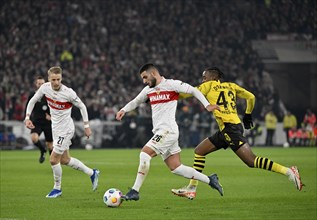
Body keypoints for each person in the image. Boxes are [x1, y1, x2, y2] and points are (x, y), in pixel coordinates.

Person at [171, 67, 304, 200]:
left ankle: (288, 171)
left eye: (204, 77)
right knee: (200, 151)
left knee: (251, 161)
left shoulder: (208, 85)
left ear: (213, 78)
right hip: (230, 127)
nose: (203, 80)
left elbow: (190, 93)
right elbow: (251, 97)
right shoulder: (231, 86)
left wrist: (169, 96)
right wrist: (247, 114)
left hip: (230, 129)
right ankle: (192, 189)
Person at [115, 63, 223, 201]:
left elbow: (193, 90)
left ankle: (135, 191)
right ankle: (210, 180)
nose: (144, 81)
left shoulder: (172, 84)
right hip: (161, 131)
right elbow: (136, 101)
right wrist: (123, 110)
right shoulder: (148, 89)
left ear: (153, 73)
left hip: (168, 130)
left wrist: (207, 105)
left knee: (144, 154)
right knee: (176, 167)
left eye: (145, 77)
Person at [24, 66, 100, 198]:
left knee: (53, 160)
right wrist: (27, 117)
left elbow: (82, 106)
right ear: (49, 79)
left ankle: (57, 189)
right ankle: (92, 173)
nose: (56, 82)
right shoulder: (45, 88)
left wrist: (86, 126)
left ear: (61, 78)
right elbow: (32, 101)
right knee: (65, 160)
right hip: (56, 129)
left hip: (66, 130)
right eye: (53, 80)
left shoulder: (68, 92)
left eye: (58, 79)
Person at [25, 76, 53, 163]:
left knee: (50, 145)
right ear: (36, 84)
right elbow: (27, 107)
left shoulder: (49, 95)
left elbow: (54, 108)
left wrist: (52, 116)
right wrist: (27, 119)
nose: (41, 85)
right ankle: (42, 150)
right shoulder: (32, 95)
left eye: (42, 83)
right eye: (39, 83)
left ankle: (53, 162)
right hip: (36, 122)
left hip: (48, 122)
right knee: (34, 138)